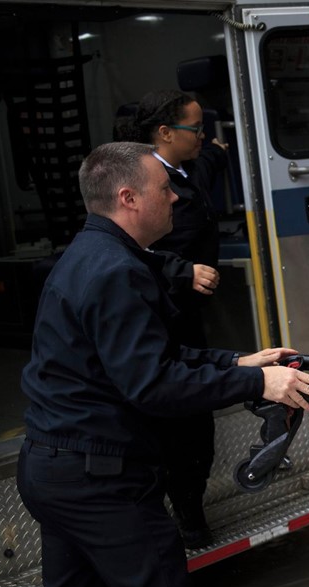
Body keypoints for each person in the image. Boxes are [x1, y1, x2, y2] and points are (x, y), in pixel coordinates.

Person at [17, 141, 309, 587]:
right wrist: (258, 382)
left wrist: (236, 360)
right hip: (99, 482)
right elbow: (153, 386)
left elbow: (148, 359)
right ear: (129, 198)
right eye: (164, 188)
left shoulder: (92, 255)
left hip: (55, 470)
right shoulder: (116, 272)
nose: (176, 198)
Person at [114, 89, 231, 547]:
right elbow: (130, 248)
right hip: (161, 318)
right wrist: (182, 271)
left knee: (197, 422)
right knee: (179, 423)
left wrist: (218, 149)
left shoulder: (192, 169)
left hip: (189, 319)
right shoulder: (145, 186)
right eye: (195, 128)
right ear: (164, 133)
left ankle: (190, 507)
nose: (203, 135)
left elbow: (213, 160)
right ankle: (179, 517)